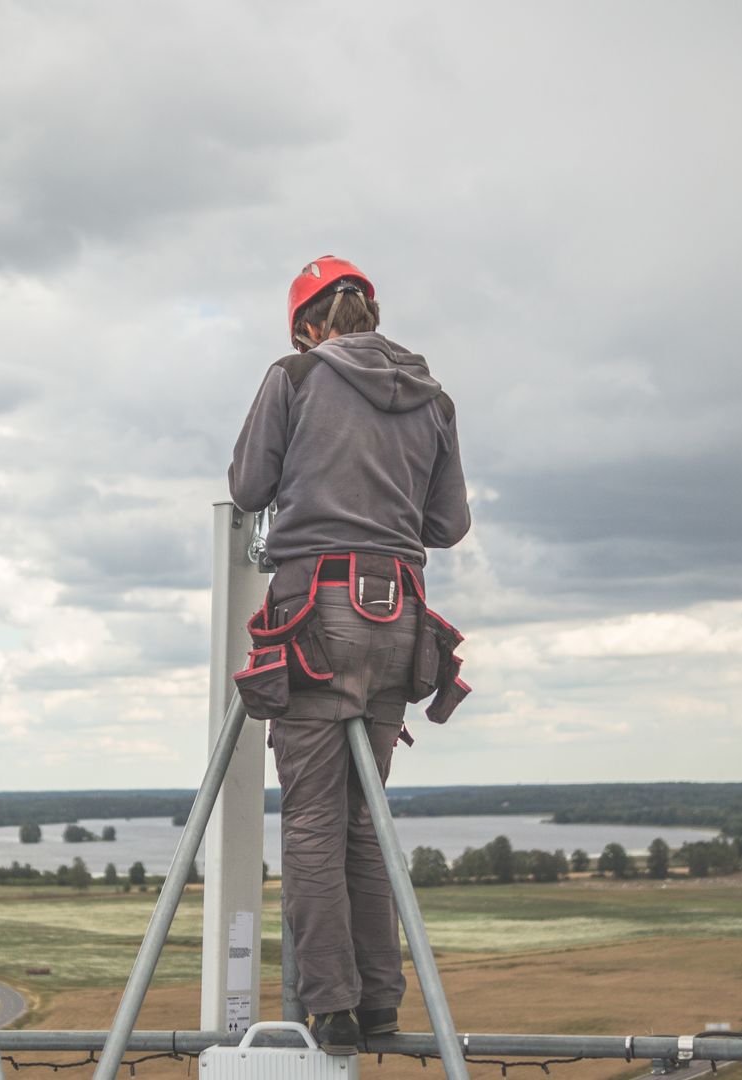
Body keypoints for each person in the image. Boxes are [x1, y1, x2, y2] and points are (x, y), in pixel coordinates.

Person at [227, 255, 471, 1054]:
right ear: (370, 311)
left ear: (308, 324)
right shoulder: (433, 398)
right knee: (365, 821)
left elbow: (248, 485)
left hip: (314, 621)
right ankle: (378, 1005)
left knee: (313, 818)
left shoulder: (295, 376)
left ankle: (328, 1007)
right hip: (398, 618)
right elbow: (447, 526)